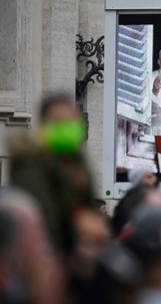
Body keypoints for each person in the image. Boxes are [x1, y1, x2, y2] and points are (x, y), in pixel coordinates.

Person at [9, 93, 96, 254]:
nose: (68, 126)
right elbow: (43, 218)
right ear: (44, 125)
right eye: (60, 121)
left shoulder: (78, 162)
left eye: (73, 121)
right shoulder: (29, 161)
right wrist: (78, 226)